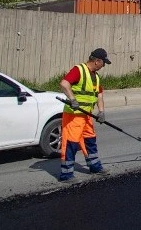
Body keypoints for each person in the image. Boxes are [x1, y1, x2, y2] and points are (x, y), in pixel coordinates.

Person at [58, 48, 111, 182]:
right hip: (74, 115)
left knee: (90, 140)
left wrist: (101, 111)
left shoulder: (96, 76)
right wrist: (72, 99)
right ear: (97, 61)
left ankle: (95, 167)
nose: (103, 66)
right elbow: (64, 84)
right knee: (71, 143)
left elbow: (99, 95)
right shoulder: (79, 70)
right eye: (103, 63)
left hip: (86, 115)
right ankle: (66, 175)